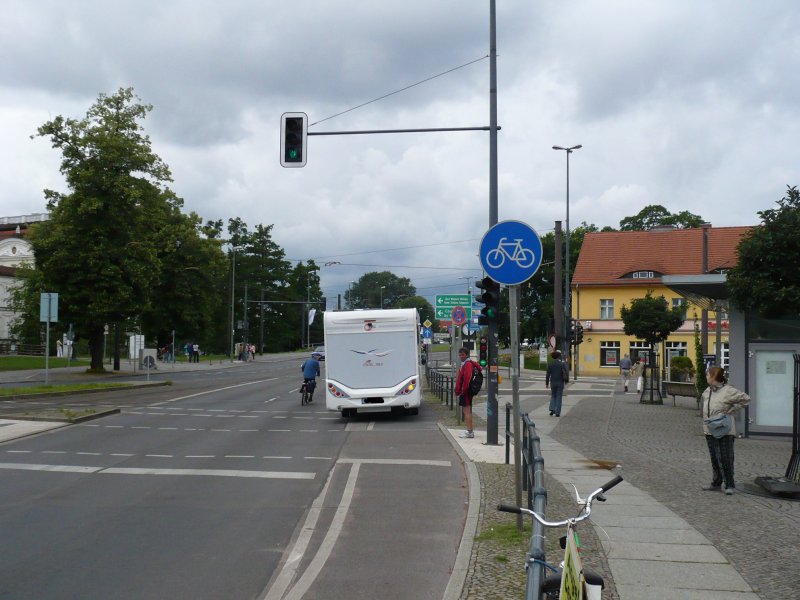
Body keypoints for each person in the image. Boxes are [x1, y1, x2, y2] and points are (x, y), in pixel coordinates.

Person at [700, 366, 750, 495]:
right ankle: (716, 482)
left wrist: (732, 410)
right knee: (714, 457)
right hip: (710, 429)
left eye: (708, 375)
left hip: (725, 429)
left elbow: (746, 399)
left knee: (725, 457)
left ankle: (729, 484)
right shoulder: (707, 391)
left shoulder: (728, 391)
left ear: (714, 377)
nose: (706, 377)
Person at [455, 347, 481, 438]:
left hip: (466, 391)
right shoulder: (466, 363)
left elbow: (467, 378)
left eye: (463, 355)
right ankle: (469, 430)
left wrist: (463, 390)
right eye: (460, 355)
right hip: (466, 391)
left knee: (467, 411)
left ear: (466, 355)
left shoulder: (467, 364)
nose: (461, 356)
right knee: (467, 410)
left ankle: (470, 432)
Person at [545, 350, 568, 417]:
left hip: (553, 382)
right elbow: (565, 373)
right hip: (560, 382)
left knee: (553, 395)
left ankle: (552, 409)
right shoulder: (562, 364)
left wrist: (547, 383)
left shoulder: (550, 364)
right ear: (558, 356)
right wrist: (566, 381)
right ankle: (557, 412)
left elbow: (548, 374)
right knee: (559, 397)